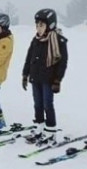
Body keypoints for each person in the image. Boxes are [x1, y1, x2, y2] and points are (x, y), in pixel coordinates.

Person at [21, 9, 68, 144]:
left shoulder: (59, 41)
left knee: (48, 104)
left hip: (49, 79)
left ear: (50, 25)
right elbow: (29, 58)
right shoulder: (36, 40)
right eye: (37, 25)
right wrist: (25, 74)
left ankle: (51, 129)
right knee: (37, 104)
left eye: (41, 25)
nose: (38, 28)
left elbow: (62, 63)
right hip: (35, 78)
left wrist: (58, 80)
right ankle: (40, 126)